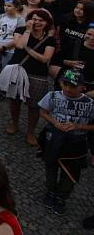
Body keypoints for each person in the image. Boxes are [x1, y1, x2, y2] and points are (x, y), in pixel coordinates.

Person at [37, 68, 94, 216]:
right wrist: (54, 122)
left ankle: (62, 197)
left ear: (83, 87)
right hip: (54, 139)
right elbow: (43, 112)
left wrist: (78, 126)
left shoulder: (89, 103)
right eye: (65, 84)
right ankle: (50, 191)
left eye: (73, 86)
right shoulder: (54, 96)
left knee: (70, 173)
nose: (67, 89)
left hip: (76, 143)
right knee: (50, 167)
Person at [4, 9, 56, 146]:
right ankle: (14, 123)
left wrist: (27, 49)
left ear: (47, 23)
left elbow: (45, 59)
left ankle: (30, 131)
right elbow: (19, 44)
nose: (37, 22)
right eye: (35, 19)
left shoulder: (50, 40)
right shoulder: (21, 30)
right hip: (18, 70)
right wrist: (27, 31)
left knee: (34, 106)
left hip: (37, 75)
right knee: (14, 101)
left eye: (41, 20)